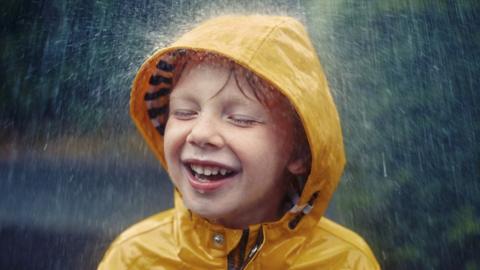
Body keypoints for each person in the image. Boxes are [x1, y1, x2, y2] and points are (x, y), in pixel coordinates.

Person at [98, 15, 380, 269]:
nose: (201, 133)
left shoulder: (346, 262)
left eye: (241, 118)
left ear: (300, 152)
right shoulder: (135, 258)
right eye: (184, 112)